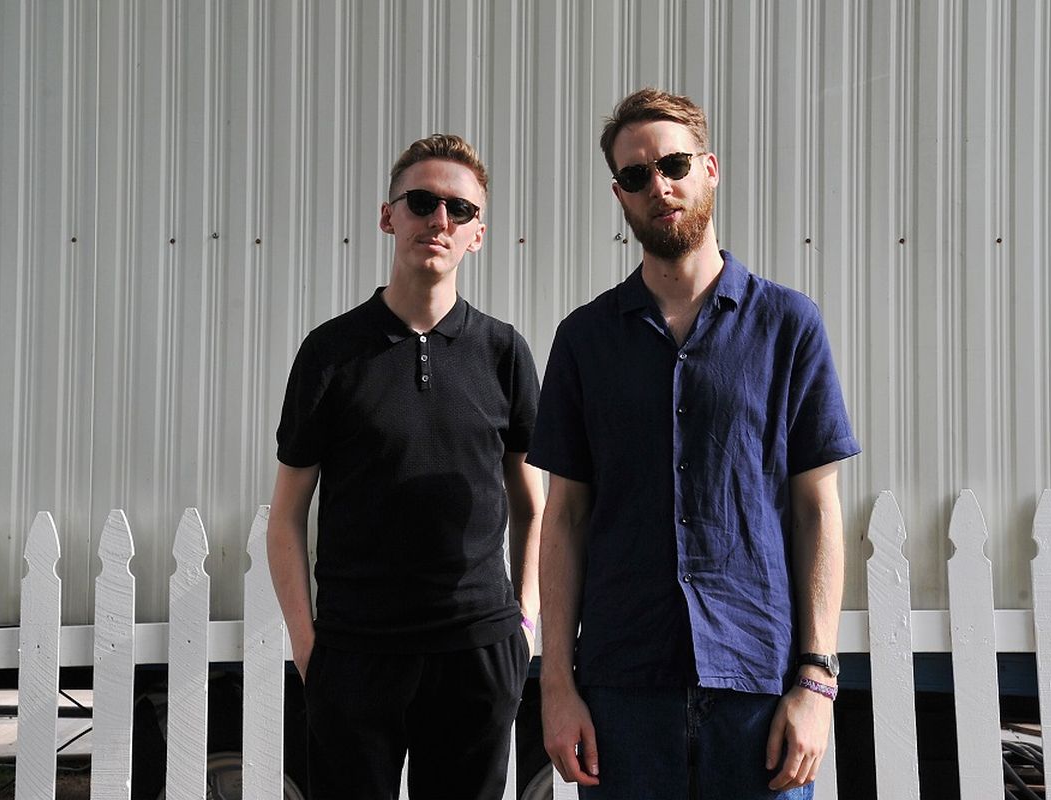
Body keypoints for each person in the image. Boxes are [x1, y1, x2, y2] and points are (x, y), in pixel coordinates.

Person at [529, 88, 860, 799]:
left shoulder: (789, 326)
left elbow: (817, 511)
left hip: (759, 691)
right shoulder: (585, 341)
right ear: (619, 194)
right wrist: (556, 682)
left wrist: (816, 680)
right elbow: (564, 517)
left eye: (674, 164)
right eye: (636, 175)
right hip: (621, 691)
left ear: (709, 168)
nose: (660, 186)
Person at [266, 133, 544, 800]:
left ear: (478, 233)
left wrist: (525, 628)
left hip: (477, 654)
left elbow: (535, 507)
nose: (439, 221)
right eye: (421, 202)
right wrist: (311, 650)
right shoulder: (331, 353)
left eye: (460, 209)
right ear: (389, 215)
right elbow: (284, 520)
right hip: (356, 654)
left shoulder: (504, 353)